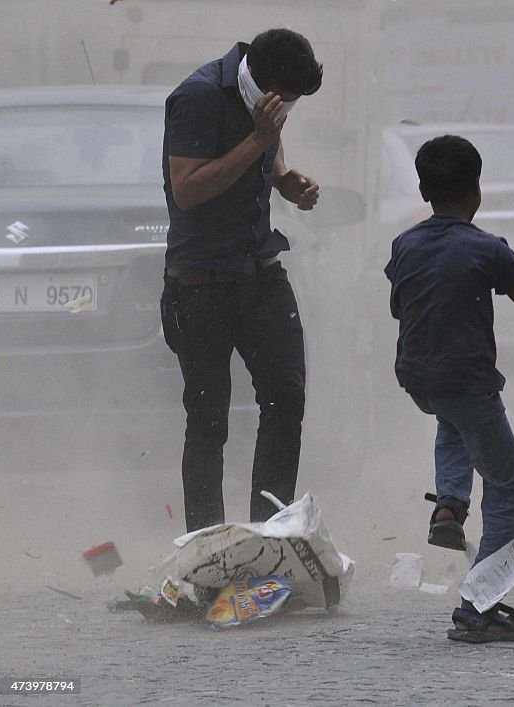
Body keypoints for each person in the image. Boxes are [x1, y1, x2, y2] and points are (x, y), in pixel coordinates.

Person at [384, 135, 514, 643]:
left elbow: (398, 308)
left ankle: (450, 502)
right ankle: (477, 607)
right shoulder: (489, 250)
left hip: (418, 379)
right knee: (510, 487)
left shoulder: (404, 244)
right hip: (466, 382)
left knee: (454, 419)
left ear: (425, 191)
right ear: (477, 191)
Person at [159, 29, 324, 533]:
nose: (287, 109)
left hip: (260, 273)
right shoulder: (197, 97)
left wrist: (285, 179)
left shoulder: (266, 106)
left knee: (285, 398)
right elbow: (186, 190)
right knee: (209, 419)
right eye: (286, 98)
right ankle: (208, 543)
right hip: (200, 284)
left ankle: (270, 533)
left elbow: (268, 155)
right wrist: (256, 139)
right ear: (256, 76)